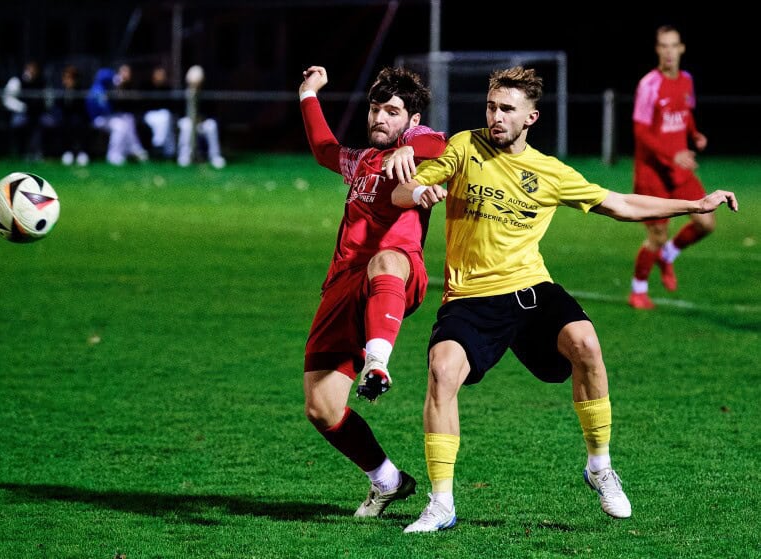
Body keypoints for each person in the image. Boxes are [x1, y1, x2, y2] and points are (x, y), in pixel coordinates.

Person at [393, 65, 738, 533]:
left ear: (530, 118)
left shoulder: (550, 172)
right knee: (441, 370)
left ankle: (599, 466)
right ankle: (441, 504)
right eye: (491, 106)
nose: (495, 116)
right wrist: (419, 190)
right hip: (471, 297)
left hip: (531, 289)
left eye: (506, 109)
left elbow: (620, 205)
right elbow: (400, 191)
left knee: (586, 344)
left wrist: (695, 205)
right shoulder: (463, 147)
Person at [299, 64, 448, 519]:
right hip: (341, 288)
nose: (380, 118)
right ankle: (387, 480)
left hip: (397, 275)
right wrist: (308, 94)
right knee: (321, 409)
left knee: (385, 257)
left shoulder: (422, 149)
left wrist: (410, 149)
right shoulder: (362, 160)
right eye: (375, 109)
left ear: (411, 117)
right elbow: (326, 149)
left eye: (393, 111)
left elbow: (438, 143)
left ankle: (378, 364)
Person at [628, 25, 712, 309]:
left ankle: (669, 255)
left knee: (706, 222)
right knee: (657, 235)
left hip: (679, 168)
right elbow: (641, 132)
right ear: (657, 50)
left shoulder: (686, 80)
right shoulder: (649, 84)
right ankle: (638, 289)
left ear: (681, 49)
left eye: (673, 45)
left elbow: (685, 114)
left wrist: (695, 134)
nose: (668, 52)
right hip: (652, 171)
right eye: (663, 46)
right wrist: (671, 154)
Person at [87, 63, 149, 165]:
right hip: (98, 119)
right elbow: (104, 109)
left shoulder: (107, 88)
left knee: (127, 119)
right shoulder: (98, 89)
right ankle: (114, 155)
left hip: (107, 117)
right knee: (120, 126)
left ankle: (133, 149)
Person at [178, 65, 226, 169]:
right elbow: (179, 112)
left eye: (197, 82)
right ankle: (185, 156)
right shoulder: (183, 92)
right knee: (186, 125)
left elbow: (212, 112)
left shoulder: (206, 93)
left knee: (211, 125)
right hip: (188, 121)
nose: (195, 85)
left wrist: (201, 119)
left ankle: (215, 156)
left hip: (202, 122)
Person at [2, 60, 47, 161]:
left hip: (38, 114)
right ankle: (21, 152)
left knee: (45, 123)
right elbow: (7, 100)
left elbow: (48, 98)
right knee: (18, 123)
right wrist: (23, 107)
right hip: (21, 112)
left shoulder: (42, 81)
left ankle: (37, 153)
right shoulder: (16, 81)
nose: (32, 71)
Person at [52, 64, 90, 166]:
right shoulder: (60, 91)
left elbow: (84, 109)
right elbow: (57, 107)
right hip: (64, 119)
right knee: (63, 124)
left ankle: (82, 153)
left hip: (80, 118)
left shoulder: (81, 90)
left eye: (70, 78)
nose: (67, 81)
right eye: (65, 78)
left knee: (79, 124)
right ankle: (67, 152)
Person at [142, 65, 178, 159]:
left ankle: (165, 150)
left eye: (163, 75)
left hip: (164, 115)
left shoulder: (167, 89)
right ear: (154, 75)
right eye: (159, 75)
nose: (161, 77)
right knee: (164, 119)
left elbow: (172, 106)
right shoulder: (146, 87)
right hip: (150, 114)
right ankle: (159, 146)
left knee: (165, 118)